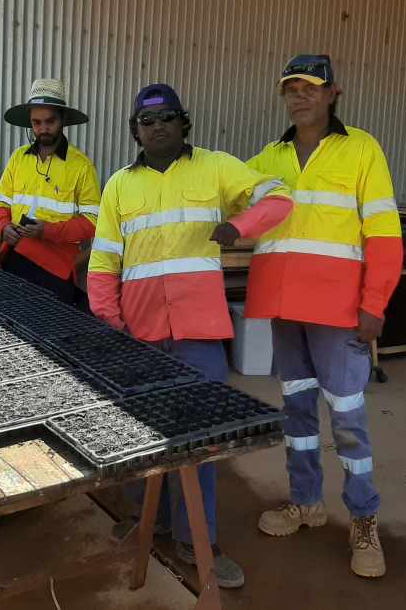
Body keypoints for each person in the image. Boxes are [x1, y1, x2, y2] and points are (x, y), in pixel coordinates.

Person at [88, 83, 292, 589]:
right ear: (135, 130)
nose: (157, 127)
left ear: (184, 123)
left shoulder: (217, 167)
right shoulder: (119, 186)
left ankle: (197, 538)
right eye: (146, 120)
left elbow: (279, 197)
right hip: (139, 331)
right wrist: (109, 319)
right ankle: (148, 518)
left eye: (167, 118)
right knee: (140, 434)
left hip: (198, 332)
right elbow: (104, 258)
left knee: (199, 439)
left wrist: (241, 225)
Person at [245, 55, 403, 579]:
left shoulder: (361, 149)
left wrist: (374, 305)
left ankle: (364, 519)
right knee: (297, 414)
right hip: (285, 310)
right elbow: (238, 211)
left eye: (310, 87)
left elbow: (382, 234)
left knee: (349, 420)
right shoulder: (269, 157)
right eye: (291, 87)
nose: (299, 96)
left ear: (333, 93)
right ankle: (305, 501)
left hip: (339, 313)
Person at [0, 78, 101, 303]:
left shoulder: (82, 166)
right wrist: (3, 227)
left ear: (63, 119)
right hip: (13, 258)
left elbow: (93, 221)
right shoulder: (18, 158)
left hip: (56, 271)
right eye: (36, 122)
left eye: (50, 121)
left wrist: (49, 231)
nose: (43, 128)